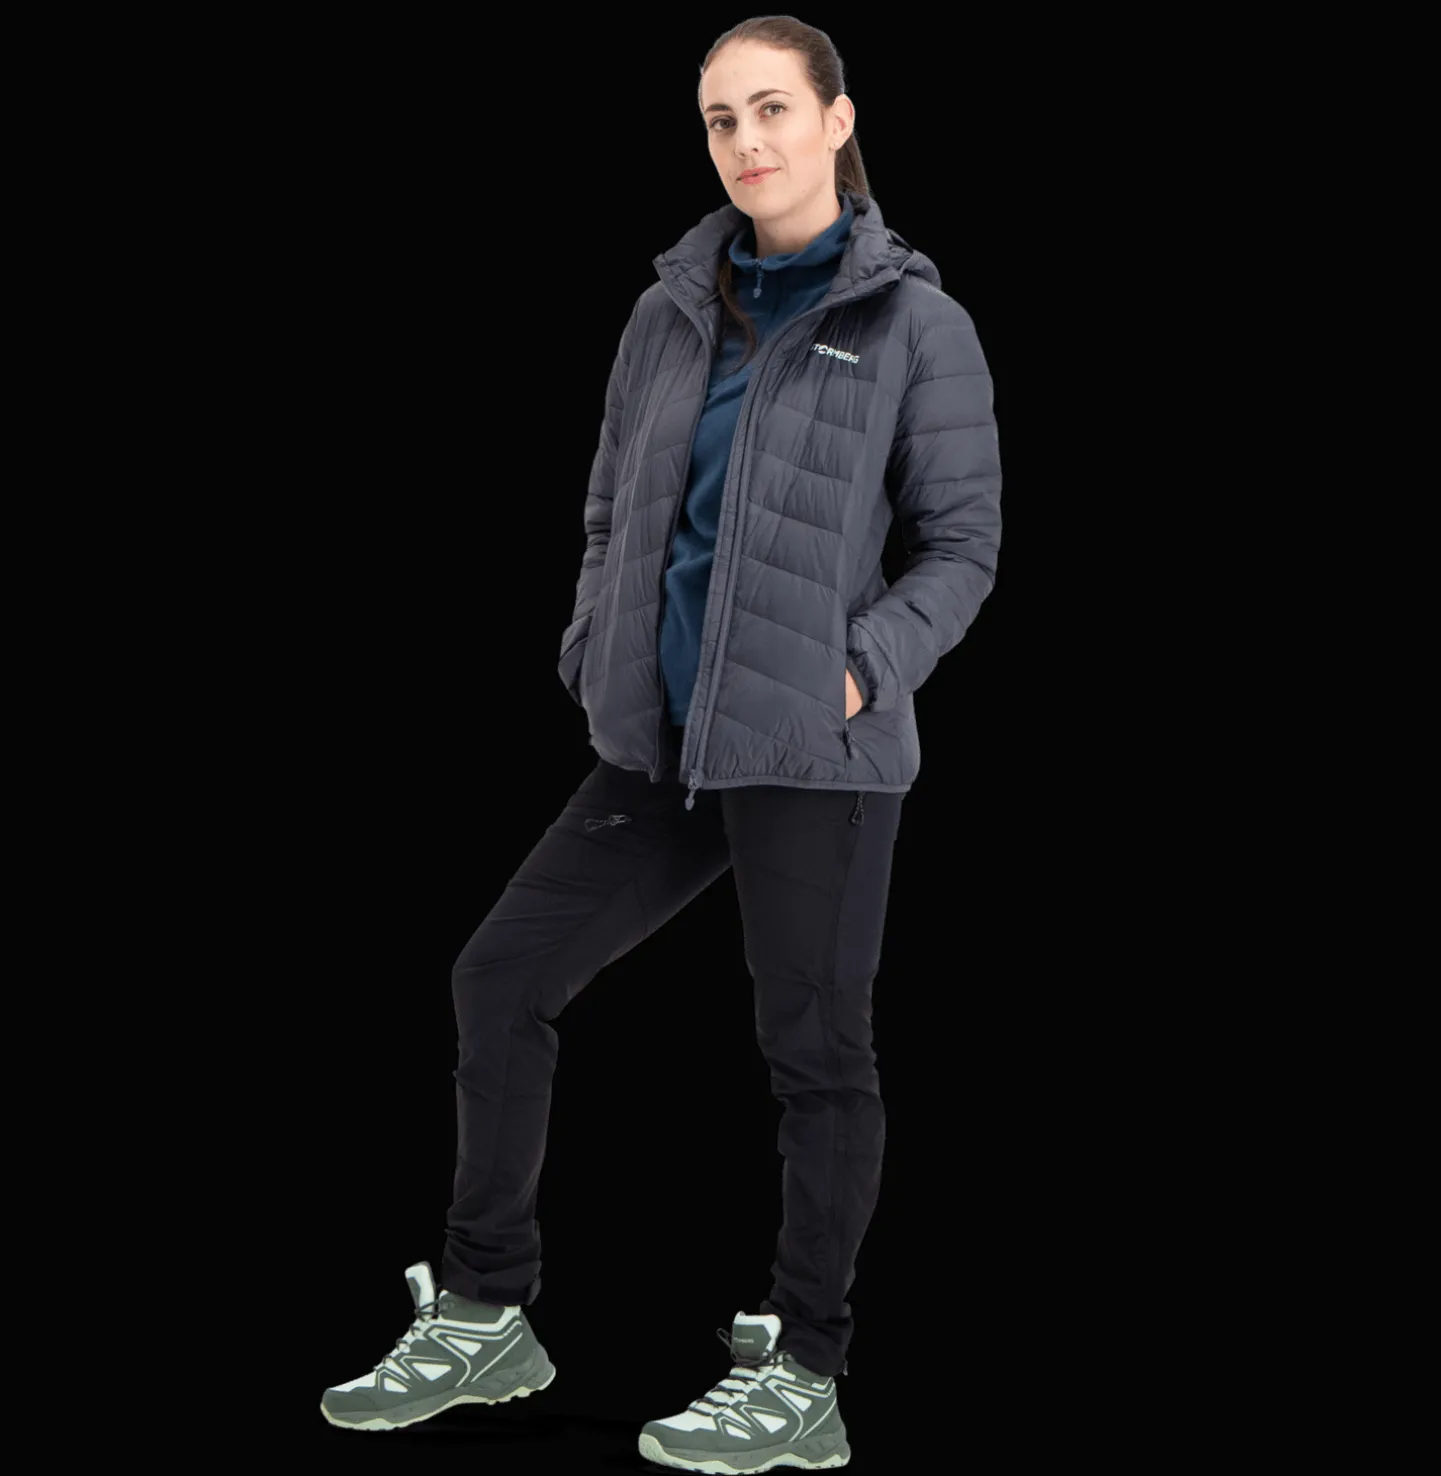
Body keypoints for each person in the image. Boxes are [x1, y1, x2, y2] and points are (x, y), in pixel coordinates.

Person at [320, 16, 1002, 1470]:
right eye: (719, 120)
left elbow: (963, 548)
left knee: (813, 1051)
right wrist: (593, 643)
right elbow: (608, 507)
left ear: (837, 122)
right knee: (500, 977)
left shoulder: (913, 325)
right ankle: (488, 1309)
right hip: (659, 740)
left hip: (813, 752)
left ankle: (807, 1368)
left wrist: (861, 672)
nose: (747, 141)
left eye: (773, 110)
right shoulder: (672, 310)